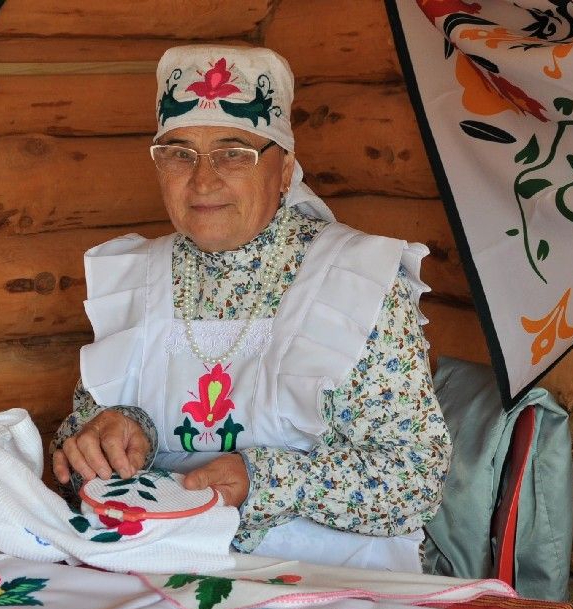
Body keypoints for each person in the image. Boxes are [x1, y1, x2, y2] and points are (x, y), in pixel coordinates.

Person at [50, 44, 452, 572]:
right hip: (160, 568)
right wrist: (111, 434)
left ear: (284, 168)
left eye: (233, 151)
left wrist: (265, 478)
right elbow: (76, 448)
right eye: (179, 153)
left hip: (330, 584)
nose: (204, 179)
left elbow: (414, 481)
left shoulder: (355, 281)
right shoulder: (136, 277)